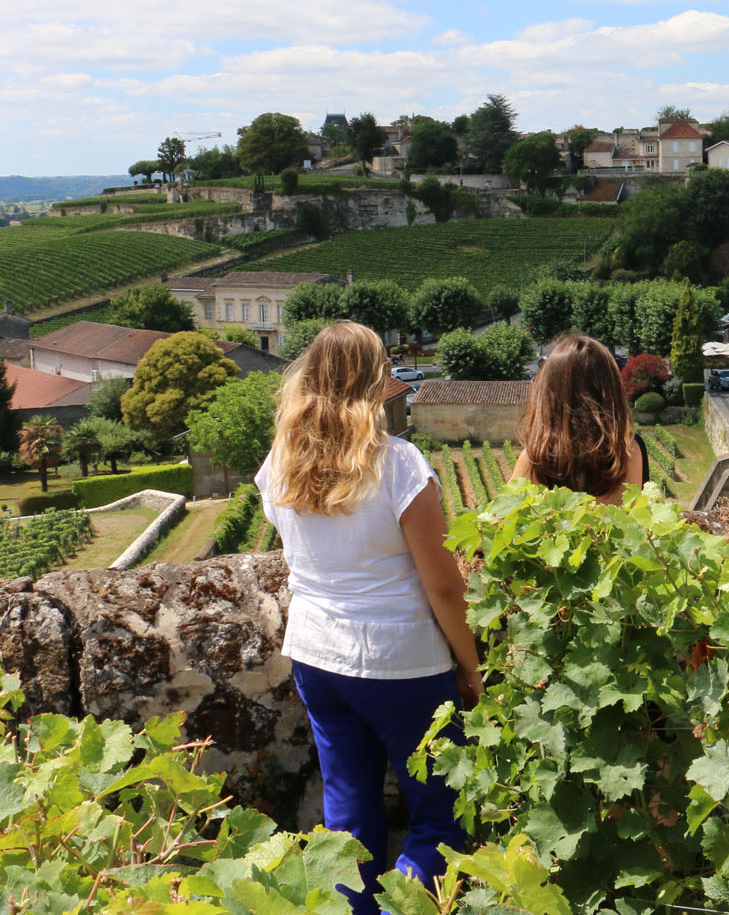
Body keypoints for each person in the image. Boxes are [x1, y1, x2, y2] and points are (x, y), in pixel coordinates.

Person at [256, 321, 481, 914]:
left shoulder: (280, 460)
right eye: (384, 368)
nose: (392, 378)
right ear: (371, 383)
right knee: (439, 818)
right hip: (402, 663)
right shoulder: (399, 464)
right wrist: (472, 664)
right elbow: (441, 583)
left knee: (348, 818)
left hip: (316, 656)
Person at [510, 332, 647, 504]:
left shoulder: (536, 458)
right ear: (612, 390)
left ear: (550, 393)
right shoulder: (629, 451)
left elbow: (498, 519)